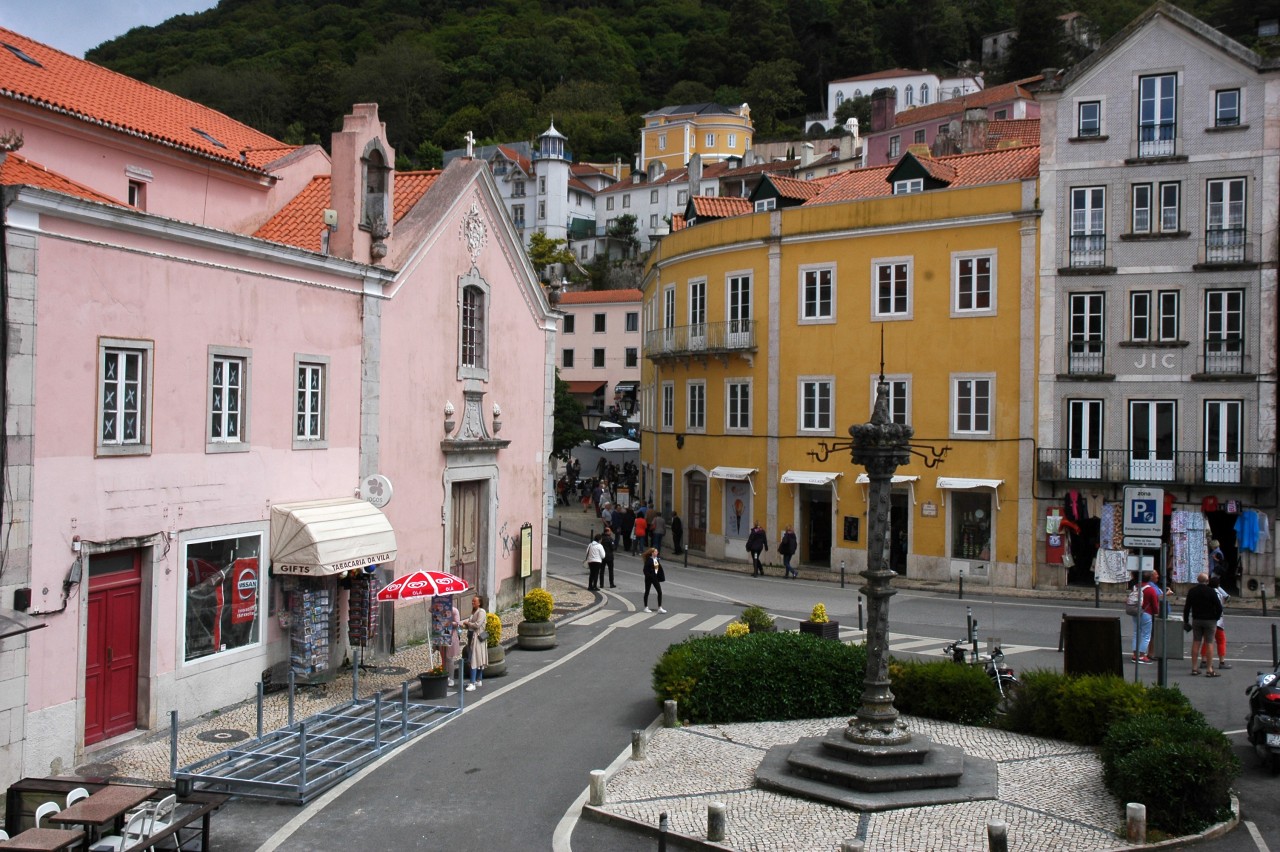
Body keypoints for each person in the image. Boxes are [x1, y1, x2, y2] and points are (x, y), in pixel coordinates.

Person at [1184, 572, 1224, 676]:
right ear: (1207, 581)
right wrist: (1216, 617)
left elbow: (1187, 607)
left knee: (1196, 642)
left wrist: (1186, 620)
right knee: (1209, 642)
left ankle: (1194, 667)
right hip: (1210, 620)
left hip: (1197, 619)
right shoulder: (1211, 591)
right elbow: (1219, 607)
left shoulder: (1192, 591)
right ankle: (1209, 669)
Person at [430, 596, 461, 686]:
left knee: (449, 658)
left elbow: (457, 623)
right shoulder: (438, 609)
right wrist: (435, 605)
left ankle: (451, 678)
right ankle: (444, 675)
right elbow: (430, 610)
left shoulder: (454, 610)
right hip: (441, 635)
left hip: (451, 636)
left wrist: (448, 621)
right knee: (443, 657)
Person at [459, 594, 489, 691]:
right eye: (472, 601)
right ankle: (478, 679)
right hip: (472, 637)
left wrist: (468, 623)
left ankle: (472, 683)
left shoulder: (482, 611)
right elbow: (471, 623)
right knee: (477, 657)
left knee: (474, 659)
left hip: (478, 637)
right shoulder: (474, 612)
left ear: (479, 603)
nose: (472, 603)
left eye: (474, 601)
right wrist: (464, 624)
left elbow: (477, 625)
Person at [1131, 571, 1160, 664]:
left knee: (1136, 633)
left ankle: (1135, 654)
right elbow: (1155, 605)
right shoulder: (1151, 590)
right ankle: (1142, 655)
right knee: (1146, 635)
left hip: (1135, 612)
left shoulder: (1135, 587)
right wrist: (1156, 612)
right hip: (1146, 613)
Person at [1211, 575, 1232, 670]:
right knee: (1221, 641)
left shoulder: (1207, 592)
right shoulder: (1219, 594)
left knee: (1207, 641)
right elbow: (1227, 597)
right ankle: (1221, 661)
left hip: (1207, 619)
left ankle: (1204, 660)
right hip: (1218, 621)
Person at [642, 546, 666, 613]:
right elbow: (645, 570)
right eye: (656, 551)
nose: (657, 552)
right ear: (652, 553)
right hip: (649, 578)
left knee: (659, 592)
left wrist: (659, 576)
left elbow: (658, 569)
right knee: (647, 592)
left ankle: (660, 607)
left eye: (657, 551)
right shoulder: (649, 560)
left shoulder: (656, 559)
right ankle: (646, 607)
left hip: (655, 578)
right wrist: (650, 576)